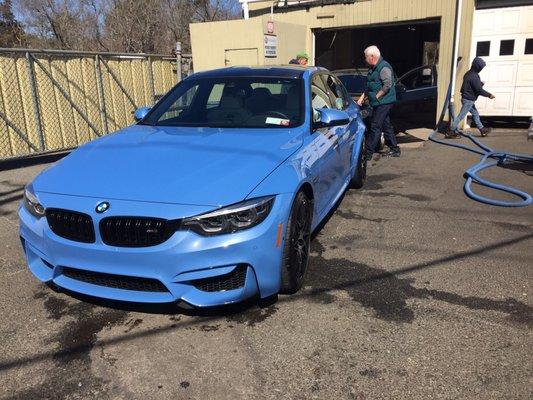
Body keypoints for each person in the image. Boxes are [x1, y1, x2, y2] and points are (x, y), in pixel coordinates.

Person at [357, 45, 400, 160]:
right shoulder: (372, 68)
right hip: (377, 102)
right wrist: (362, 97)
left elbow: (388, 85)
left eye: (366, 56)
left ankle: (368, 153)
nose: (364, 58)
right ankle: (395, 149)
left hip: (384, 102)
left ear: (372, 57)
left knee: (375, 125)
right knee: (386, 125)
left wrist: (377, 96)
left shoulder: (384, 67)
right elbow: (369, 85)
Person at [448, 57, 495, 138]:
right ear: (478, 67)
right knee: (461, 116)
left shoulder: (468, 73)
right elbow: (479, 90)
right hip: (468, 100)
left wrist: (480, 84)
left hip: (467, 98)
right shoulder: (474, 76)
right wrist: (489, 95)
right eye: (481, 67)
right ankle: (450, 132)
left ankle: (482, 130)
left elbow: (472, 86)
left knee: (475, 113)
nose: (481, 69)